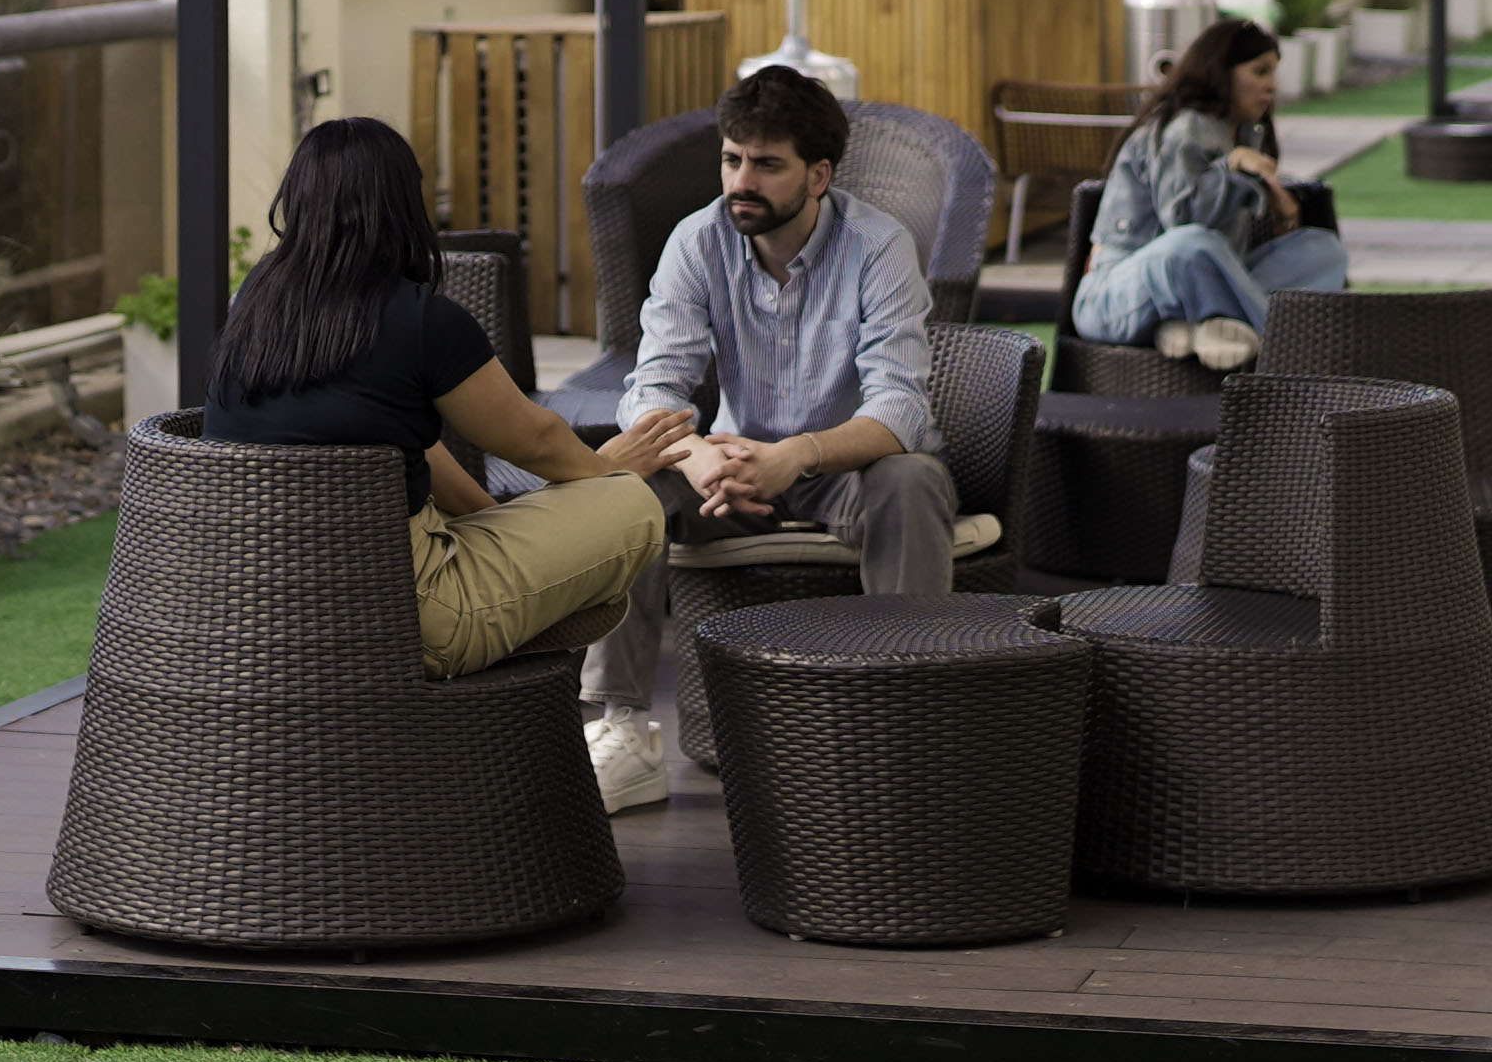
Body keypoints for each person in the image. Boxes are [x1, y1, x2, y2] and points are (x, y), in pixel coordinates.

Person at [195, 118, 704, 807]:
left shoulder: (254, 305)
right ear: (402, 204)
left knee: (541, 522)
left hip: (262, 613)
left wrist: (500, 520)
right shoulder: (421, 320)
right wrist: (610, 470)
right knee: (634, 508)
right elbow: (537, 443)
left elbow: (398, 439)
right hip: (410, 622)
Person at [590, 61, 962, 792]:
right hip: (730, 471)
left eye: (766, 165)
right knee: (626, 486)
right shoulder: (697, 242)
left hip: (846, 475)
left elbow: (900, 409)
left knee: (912, 477)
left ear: (819, 176)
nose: (740, 182)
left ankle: (902, 716)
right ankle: (623, 729)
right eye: (732, 159)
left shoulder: (879, 247)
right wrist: (694, 455)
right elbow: (652, 388)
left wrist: (797, 456)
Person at [1071, 16, 1347, 367]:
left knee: (1322, 251)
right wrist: (1231, 169)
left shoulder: (1245, 132)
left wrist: (1276, 201)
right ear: (1221, 72)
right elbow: (1183, 225)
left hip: (1203, 284)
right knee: (1194, 244)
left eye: (1274, 73)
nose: (1273, 86)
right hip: (1119, 296)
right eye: (1260, 72)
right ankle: (1282, 347)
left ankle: (1205, 325)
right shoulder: (1182, 129)